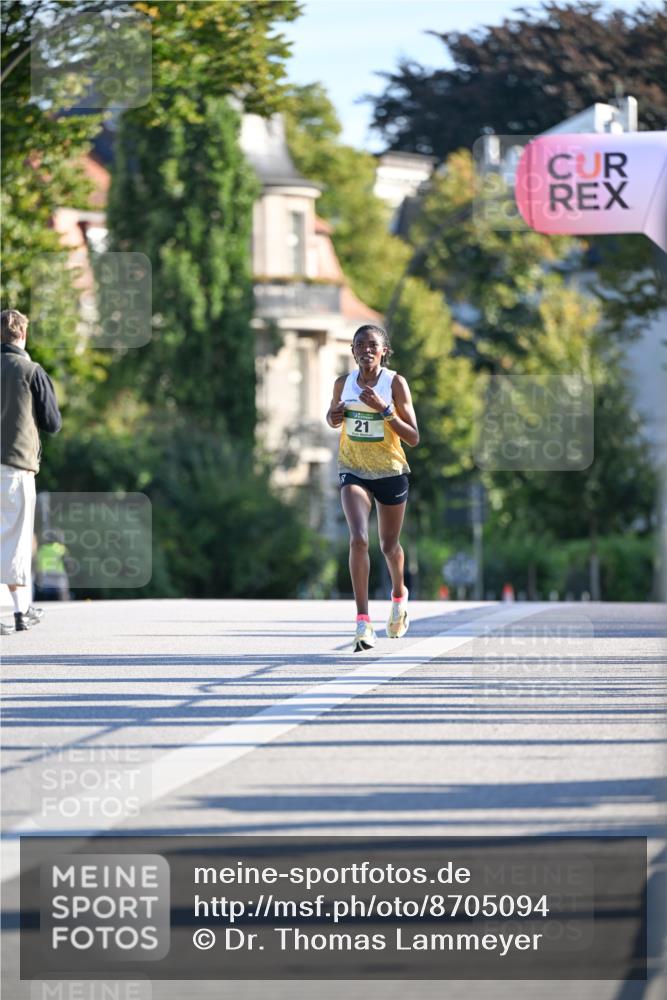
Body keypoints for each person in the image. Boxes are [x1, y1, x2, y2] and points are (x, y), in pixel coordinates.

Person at [326, 324, 419, 652]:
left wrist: (385, 409)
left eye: (372, 345)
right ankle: (363, 623)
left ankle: (398, 595)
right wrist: (334, 415)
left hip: (390, 472)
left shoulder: (395, 383)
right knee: (358, 538)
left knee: (389, 546)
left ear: (383, 352)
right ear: (352, 351)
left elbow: (413, 436)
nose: (365, 350)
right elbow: (333, 417)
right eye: (359, 345)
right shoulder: (343, 383)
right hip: (353, 470)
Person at [1, 309, 61, 633]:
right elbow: (53, 422)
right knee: (17, 540)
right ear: (23, 335)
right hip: (15, 467)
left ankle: (18, 610)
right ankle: (21, 612)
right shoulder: (30, 370)